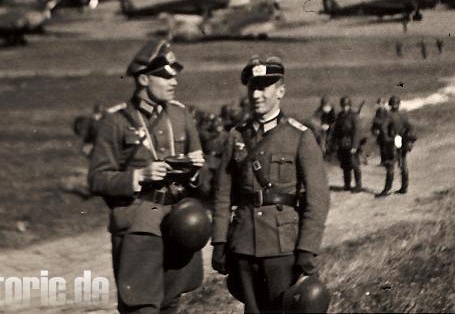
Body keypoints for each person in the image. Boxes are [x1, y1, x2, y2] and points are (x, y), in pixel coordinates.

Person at [88, 39, 206, 314]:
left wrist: (195, 172)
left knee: (171, 305)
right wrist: (139, 175)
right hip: (138, 227)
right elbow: (97, 179)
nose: (173, 81)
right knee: (141, 307)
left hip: (178, 224)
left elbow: (202, 171)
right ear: (143, 79)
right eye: (164, 75)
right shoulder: (115, 121)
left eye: (175, 74)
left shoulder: (180, 115)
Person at [211, 56, 330, 313]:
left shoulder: (300, 136)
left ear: (280, 91)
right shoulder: (235, 137)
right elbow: (222, 194)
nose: (257, 94)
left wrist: (307, 248)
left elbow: (317, 199)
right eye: (252, 87)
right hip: (243, 244)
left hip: (282, 246)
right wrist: (219, 242)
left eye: (264, 87)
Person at [376, 96, 416, 197]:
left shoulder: (388, 115)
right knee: (403, 163)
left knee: (390, 164)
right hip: (402, 140)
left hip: (394, 140)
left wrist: (386, 139)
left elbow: (383, 128)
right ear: (399, 104)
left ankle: (387, 189)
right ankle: (404, 187)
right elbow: (410, 127)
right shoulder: (403, 114)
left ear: (390, 105)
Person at [331, 96, 363, 192]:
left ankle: (358, 185)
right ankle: (347, 184)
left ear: (349, 105)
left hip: (351, 143)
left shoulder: (354, 116)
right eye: (343, 105)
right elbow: (336, 130)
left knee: (354, 164)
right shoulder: (340, 115)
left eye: (347, 105)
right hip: (342, 143)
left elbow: (357, 132)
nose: (345, 107)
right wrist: (335, 143)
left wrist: (354, 146)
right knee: (345, 165)